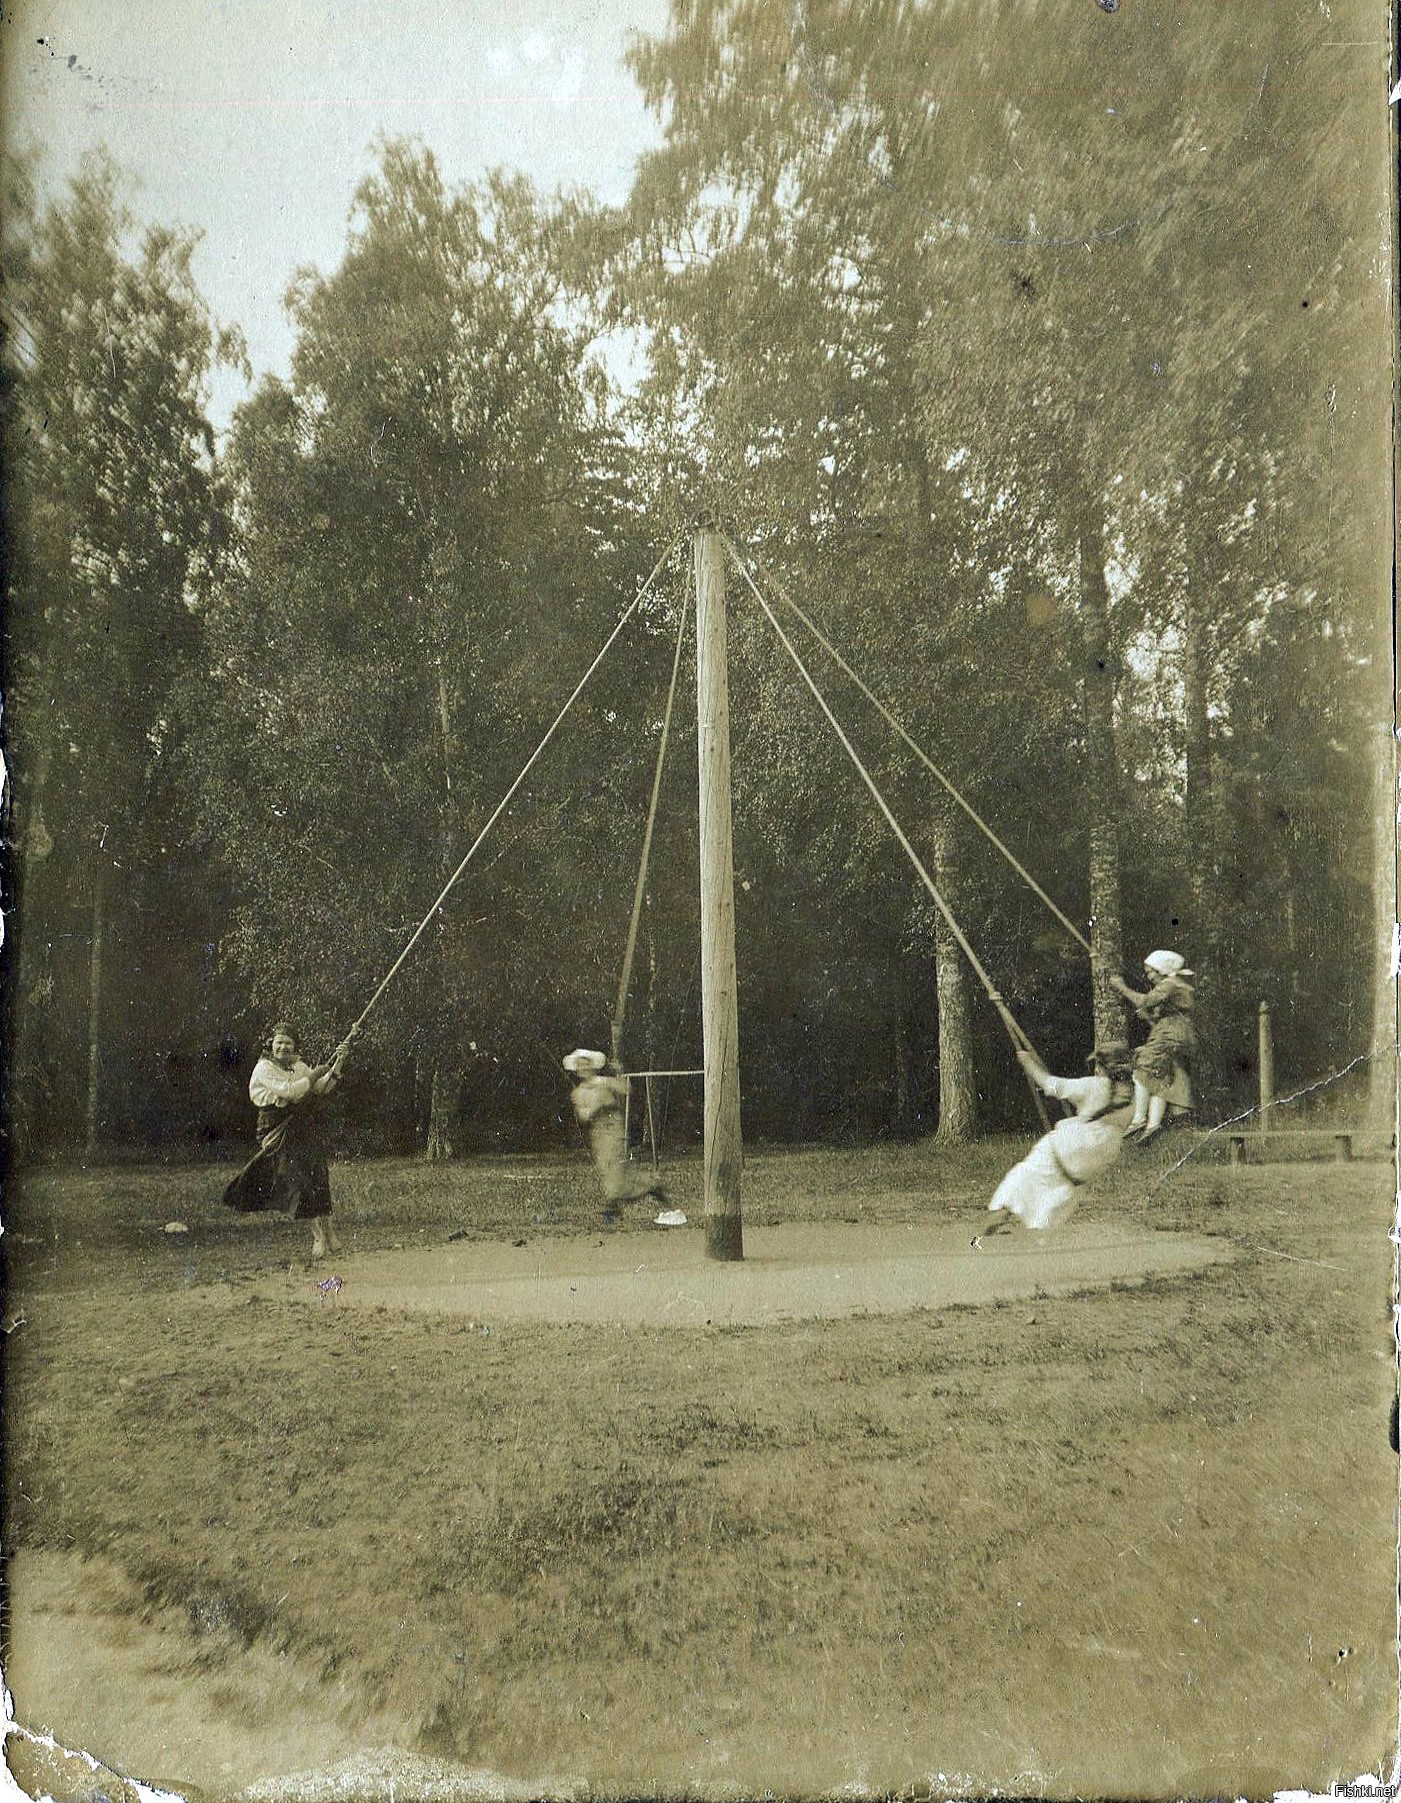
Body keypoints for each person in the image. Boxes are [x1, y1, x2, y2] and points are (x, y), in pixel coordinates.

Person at [972, 1040, 1135, 1246]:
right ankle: (1030, 1249)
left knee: (1013, 1190)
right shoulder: (1133, 1098)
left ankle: (976, 1243)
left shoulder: (1095, 1086)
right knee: (1049, 1208)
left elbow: (1051, 1086)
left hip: (1065, 1149)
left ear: (1103, 1067)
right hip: (1090, 1163)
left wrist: (1028, 1063)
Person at [222, 1021, 354, 1260]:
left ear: (295, 1047)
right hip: (275, 1128)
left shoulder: (299, 1066)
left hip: (301, 1126)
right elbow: (291, 1092)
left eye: (288, 1043)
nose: (283, 1047)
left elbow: (322, 1089)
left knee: (319, 1176)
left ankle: (331, 1235)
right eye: (279, 1042)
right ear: (271, 1044)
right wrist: (314, 1074)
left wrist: (339, 1061)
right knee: (300, 1181)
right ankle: (318, 1237)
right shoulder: (264, 1068)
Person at [563, 1048, 668, 1223]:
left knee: (615, 1165)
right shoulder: (579, 1092)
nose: (583, 1069)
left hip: (613, 1126)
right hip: (598, 1130)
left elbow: (626, 1089)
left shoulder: (603, 1082)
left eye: (586, 1065)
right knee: (607, 1167)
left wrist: (617, 1074)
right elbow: (583, 1115)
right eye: (579, 1066)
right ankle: (649, 1186)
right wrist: (591, 1109)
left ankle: (612, 1206)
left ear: (592, 1067)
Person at [1110, 949, 1196, 1144]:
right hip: (1175, 1032)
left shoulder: (1170, 984)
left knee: (1141, 1067)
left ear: (1161, 969)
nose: (1148, 976)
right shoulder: (1177, 985)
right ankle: (1153, 1125)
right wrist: (1149, 1016)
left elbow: (1145, 1000)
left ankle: (1140, 1119)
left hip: (1169, 1033)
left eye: (1150, 971)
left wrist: (1122, 987)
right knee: (1159, 1075)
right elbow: (1158, 1013)